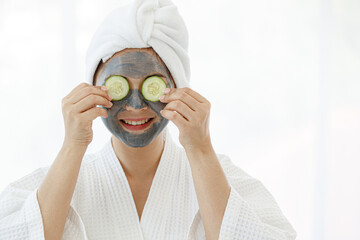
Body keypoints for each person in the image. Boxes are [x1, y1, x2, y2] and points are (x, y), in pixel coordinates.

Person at [0, 0, 297, 239]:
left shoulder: (224, 178)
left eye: (152, 85)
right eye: (119, 85)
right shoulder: (53, 184)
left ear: (177, 88)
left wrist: (201, 148)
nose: (136, 104)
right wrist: (72, 145)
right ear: (94, 88)